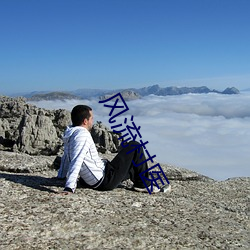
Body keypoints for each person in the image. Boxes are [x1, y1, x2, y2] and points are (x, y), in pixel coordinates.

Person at [57, 104, 164, 194]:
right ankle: (144, 185)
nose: (92, 121)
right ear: (85, 121)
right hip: (103, 180)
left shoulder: (71, 134)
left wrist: (61, 176)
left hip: (93, 177)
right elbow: (77, 159)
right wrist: (69, 187)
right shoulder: (82, 135)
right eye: (91, 118)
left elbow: (66, 156)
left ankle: (141, 181)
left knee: (132, 165)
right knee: (134, 146)